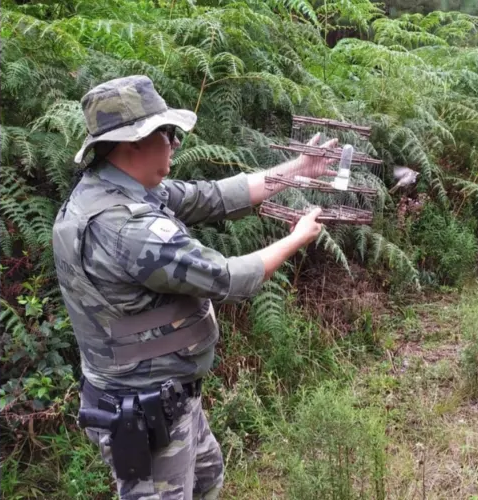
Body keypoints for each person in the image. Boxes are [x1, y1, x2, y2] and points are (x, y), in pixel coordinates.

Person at [52, 74, 337, 499]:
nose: (176, 143)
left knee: (206, 478)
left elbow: (212, 196)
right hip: (144, 408)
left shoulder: (112, 190)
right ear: (134, 142)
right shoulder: (129, 228)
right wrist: (297, 237)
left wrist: (298, 170)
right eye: (168, 133)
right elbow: (226, 278)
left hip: (166, 397)